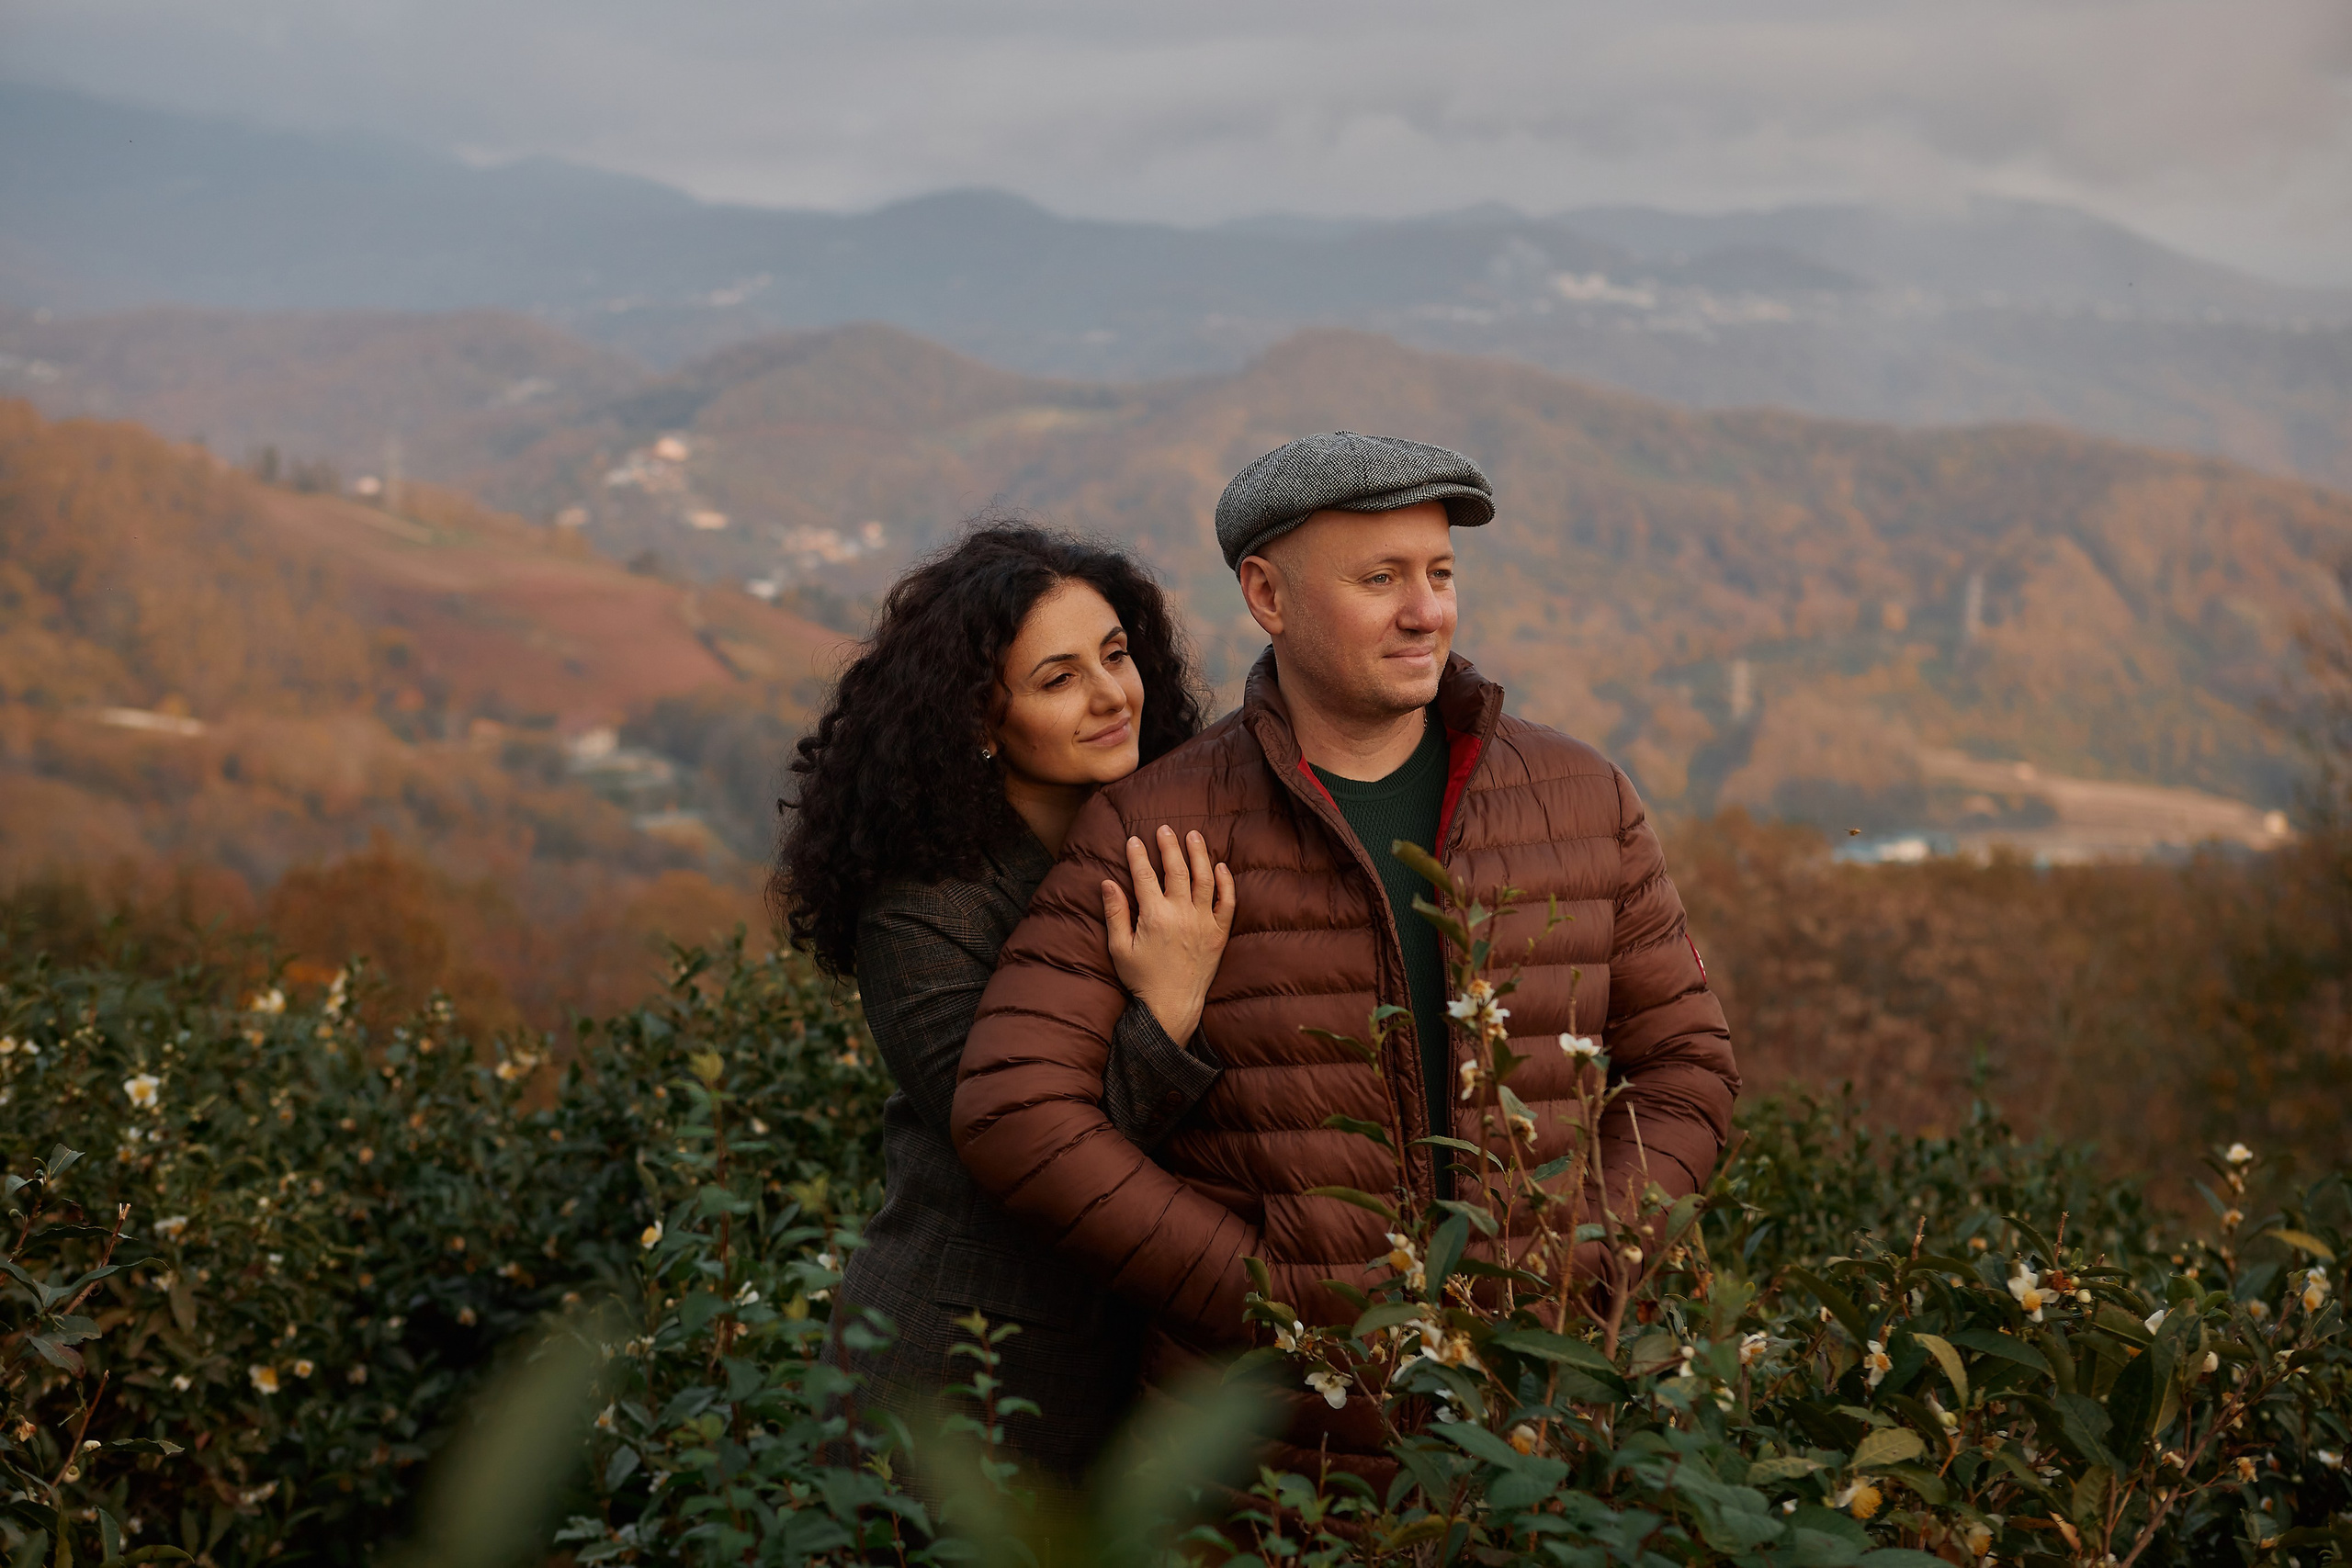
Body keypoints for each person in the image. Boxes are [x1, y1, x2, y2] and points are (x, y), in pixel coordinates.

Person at [953, 433, 1740, 1483]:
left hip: (1537, 1453)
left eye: (1440, 574)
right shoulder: (1157, 825)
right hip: (1268, 1473)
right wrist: (1265, 1290)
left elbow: (1688, 1067)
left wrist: (1571, 1254)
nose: (1427, 610)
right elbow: (1014, 1110)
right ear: (1267, 596)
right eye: (1381, 579)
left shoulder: (1579, 797)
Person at [774, 521, 1236, 1481]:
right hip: (958, 1374)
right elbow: (1026, 1149)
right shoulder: (921, 909)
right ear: (980, 721)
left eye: (1116, 655)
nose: (1112, 695)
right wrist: (1169, 1010)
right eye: (1058, 678)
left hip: (1138, 1363)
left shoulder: (1165, 839)